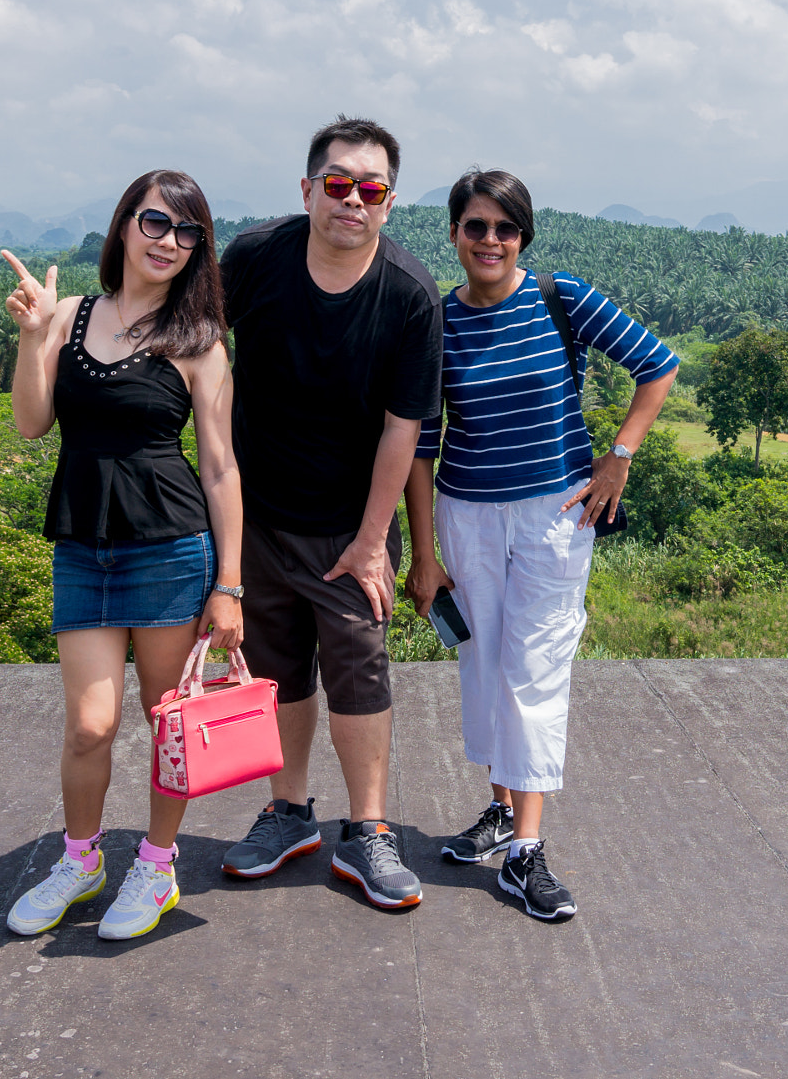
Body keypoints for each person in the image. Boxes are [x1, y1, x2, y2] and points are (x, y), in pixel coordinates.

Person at [404, 167, 678, 920]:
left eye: (505, 228)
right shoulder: (436, 320)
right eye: (475, 226)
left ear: (522, 235)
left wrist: (618, 454)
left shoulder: (562, 297)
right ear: (454, 232)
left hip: (555, 513)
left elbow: (657, 365)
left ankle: (527, 850)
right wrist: (422, 553)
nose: (490, 240)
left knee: (535, 666)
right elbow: (422, 445)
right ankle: (499, 811)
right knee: (484, 661)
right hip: (466, 513)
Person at [0, 170, 244, 942]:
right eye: (155, 223)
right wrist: (33, 335)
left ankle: (158, 864)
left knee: (166, 721)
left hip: (170, 548)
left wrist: (230, 583)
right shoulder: (70, 316)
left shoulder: (199, 342)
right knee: (89, 725)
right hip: (83, 546)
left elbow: (219, 467)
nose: (169, 241)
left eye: (187, 232)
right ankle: (82, 860)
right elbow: (33, 424)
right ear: (125, 226)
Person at [216, 116, 444, 910]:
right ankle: (288, 811)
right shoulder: (254, 259)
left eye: (371, 189)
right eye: (338, 183)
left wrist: (375, 541)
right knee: (277, 673)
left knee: (359, 671)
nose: (353, 200)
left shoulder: (408, 294)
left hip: (349, 526)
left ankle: (370, 831)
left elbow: (402, 428)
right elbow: (197, 345)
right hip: (260, 512)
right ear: (307, 188)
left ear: (389, 203)